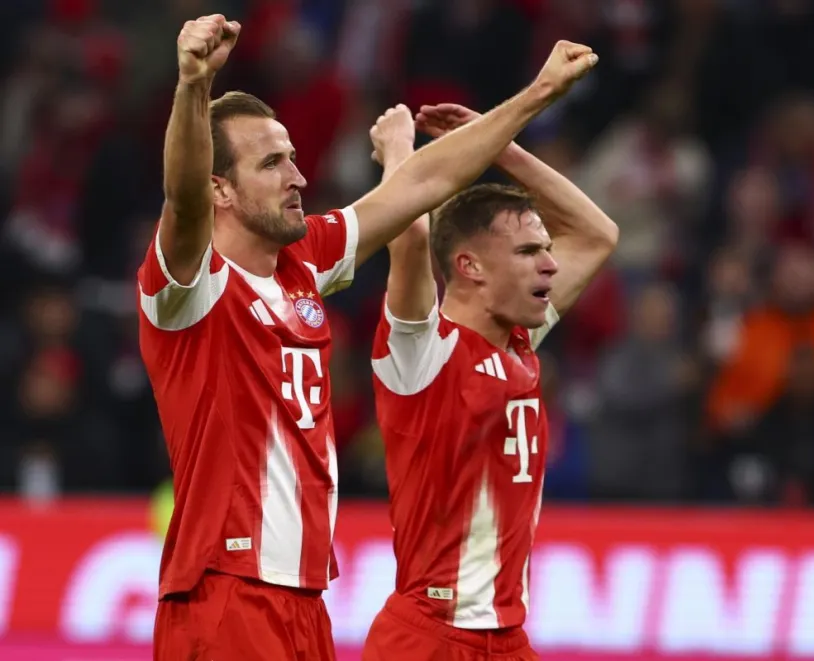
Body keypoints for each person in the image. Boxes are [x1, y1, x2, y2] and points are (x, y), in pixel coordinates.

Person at [137, 14, 599, 661]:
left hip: (304, 601)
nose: (298, 177)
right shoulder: (191, 285)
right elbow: (182, 200)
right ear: (222, 188)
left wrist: (534, 97)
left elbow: (421, 188)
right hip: (225, 592)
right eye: (273, 164)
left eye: (294, 157)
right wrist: (192, 85)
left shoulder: (305, 266)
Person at [362, 103, 618, 660]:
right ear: (471, 266)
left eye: (547, 249)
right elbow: (408, 239)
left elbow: (598, 234)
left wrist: (499, 146)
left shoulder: (521, 342)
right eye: (529, 251)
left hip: (507, 639)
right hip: (429, 635)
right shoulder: (423, 351)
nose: (550, 265)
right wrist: (398, 151)